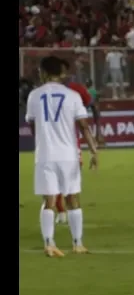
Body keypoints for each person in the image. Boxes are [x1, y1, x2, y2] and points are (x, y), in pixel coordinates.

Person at [26, 56, 99, 257]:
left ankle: (49, 244)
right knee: (73, 198)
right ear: (61, 73)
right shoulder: (73, 96)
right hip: (68, 155)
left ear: (45, 73)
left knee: (49, 200)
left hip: (45, 155)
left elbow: (32, 125)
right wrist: (94, 151)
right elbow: (84, 126)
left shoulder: (34, 95)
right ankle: (78, 243)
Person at [54, 63, 104, 225]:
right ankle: (62, 212)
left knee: (65, 182)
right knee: (56, 182)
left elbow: (93, 107)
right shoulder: (45, 91)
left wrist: (98, 130)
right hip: (56, 142)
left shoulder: (76, 89)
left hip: (69, 141)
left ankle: (63, 213)